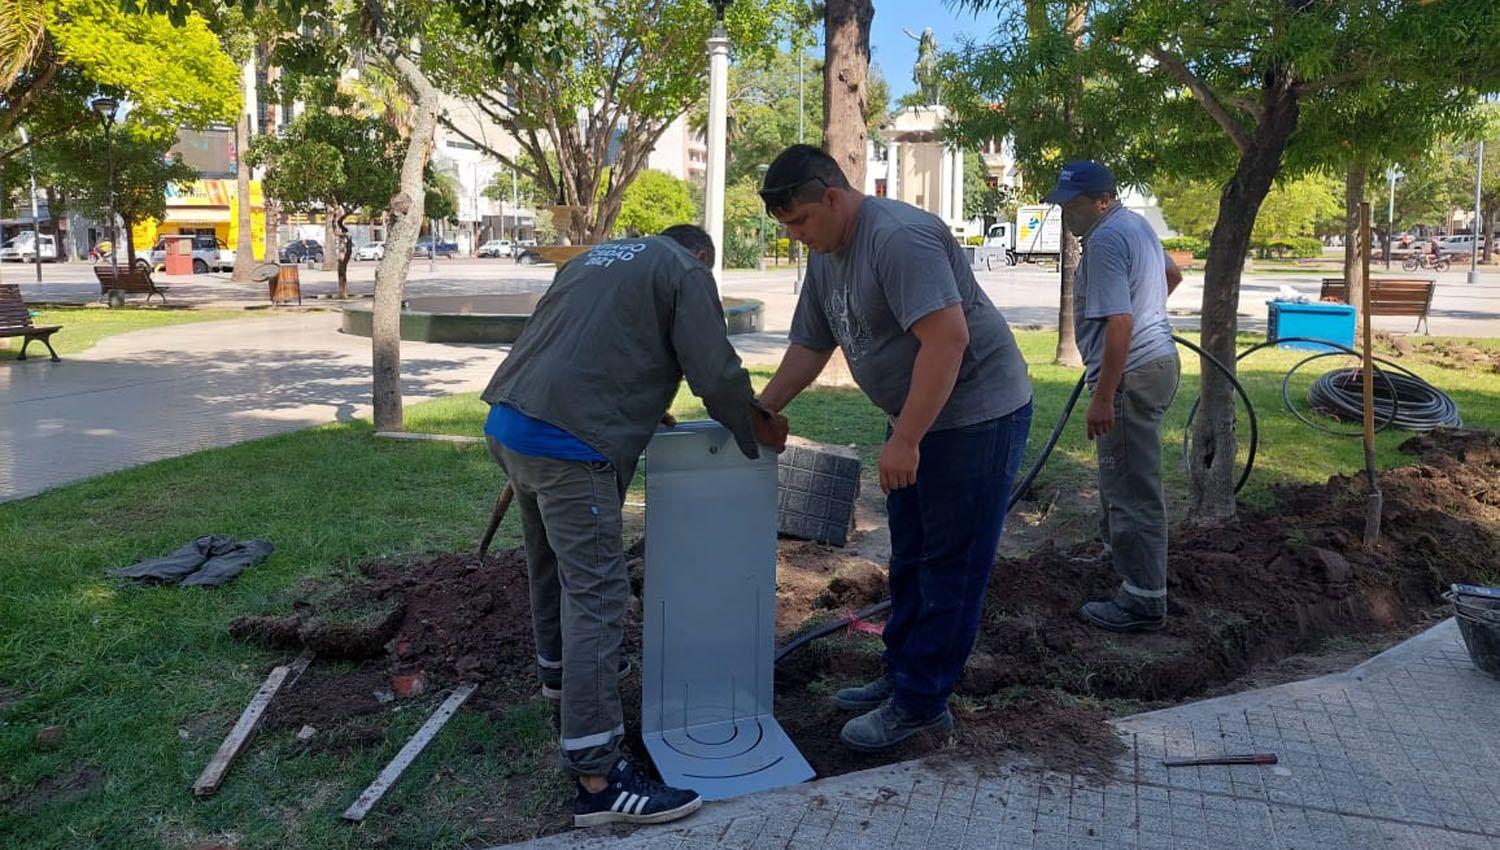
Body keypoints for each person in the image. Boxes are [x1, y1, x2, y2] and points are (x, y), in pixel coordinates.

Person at [480, 224, 788, 828]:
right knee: (598, 595)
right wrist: (752, 428)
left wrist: (636, 398)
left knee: (549, 566)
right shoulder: (685, 269)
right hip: (570, 446)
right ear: (701, 254)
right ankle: (598, 778)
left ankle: (561, 689)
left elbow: (586, 341)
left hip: (512, 423)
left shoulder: (595, 258)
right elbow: (713, 369)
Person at [755, 144, 1033, 753]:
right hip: (915, 415)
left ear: (832, 196)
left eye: (800, 221)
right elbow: (809, 345)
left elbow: (948, 340)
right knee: (910, 553)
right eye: (787, 228)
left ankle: (922, 703)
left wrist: (907, 437)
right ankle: (900, 674)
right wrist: (764, 408)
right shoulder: (827, 254)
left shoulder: (898, 238)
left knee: (951, 564)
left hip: (975, 415)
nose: (797, 236)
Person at [1046, 160, 1181, 632]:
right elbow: (1172, 275)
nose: (1066, 213)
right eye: (1062, 204)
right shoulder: (1136, 225)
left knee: (1131, 486)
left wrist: (1104, 395)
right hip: (1156, 362)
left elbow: (1119, 323)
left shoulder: (1104, 240)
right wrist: (1150, 312)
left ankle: (1142, 599)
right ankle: (1119, 562)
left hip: (1131, 373)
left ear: (1102, 200)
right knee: (1120, 475)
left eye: (1074, 204)